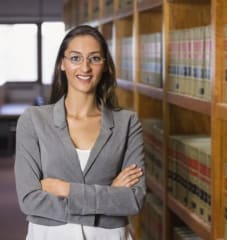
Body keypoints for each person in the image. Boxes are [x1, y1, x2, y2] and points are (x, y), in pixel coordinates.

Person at [14, 25, 146, 240]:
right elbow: (29, 199)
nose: (85, 67)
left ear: (105, 66)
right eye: (75, 58)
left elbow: (133, 200)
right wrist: (109, 196)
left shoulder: (127, 123)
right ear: (62, 64)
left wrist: (65, 189)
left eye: (94, 59)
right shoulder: (34, 120)